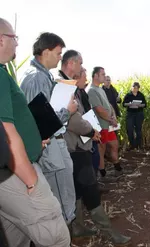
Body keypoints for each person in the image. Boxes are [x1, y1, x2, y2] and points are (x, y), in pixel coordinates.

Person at [0, 18, 70, 246]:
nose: (17, 44)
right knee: (54, 234)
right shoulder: (30, 77)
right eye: (14, 38)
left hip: (11, 172)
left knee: (16, 236)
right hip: (16, 174)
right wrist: (30, 180)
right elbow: (6, 130)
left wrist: (32, 139)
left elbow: (21, 120)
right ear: (1, 40)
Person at [67, 66, 131, 245]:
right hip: (77, 148)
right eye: (84, 74)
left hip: (82, 144)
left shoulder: (81, 93)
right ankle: (109, 233)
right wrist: (91, 131)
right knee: (90, 191)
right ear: (76, 76)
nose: (85, 77)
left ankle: (78, 228)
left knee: (79, 191)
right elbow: (75, 119)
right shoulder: (72, 93)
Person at [20, 32, 78, 225]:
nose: (61, 57)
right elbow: (40, 121)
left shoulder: (43, 76)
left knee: (63, 191)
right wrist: (67, 111)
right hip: (49, 145)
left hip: (55, 143)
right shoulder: (36, 78)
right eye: (58, 53)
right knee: (59, 196)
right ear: (45, 52)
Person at [87, 67, 122, 177]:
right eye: (102, 74)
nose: (104, 76)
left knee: (114, 144)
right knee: (101, 149)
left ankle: (117, 166)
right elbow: (99, 109)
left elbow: (109, 105)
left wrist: (114, 118)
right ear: (96, 76)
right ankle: (102, 172)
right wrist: (111, 120)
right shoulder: (91, 90)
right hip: (101, 126)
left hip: (110, 124)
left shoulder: (100, 89)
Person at [122, 82, 147, 150]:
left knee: (138, 130)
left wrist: (139, 105)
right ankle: (132, 145)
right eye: (134, 88)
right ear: (131, 87)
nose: (135, 89)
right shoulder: (128, 95)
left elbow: (145, 104)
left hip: (139, 113)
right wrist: (129, 104)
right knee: (129, 129)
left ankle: (138, 145)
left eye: (136, 88)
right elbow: (123, 104)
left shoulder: (141, 95)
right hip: (130, 114)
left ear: (138, 88)